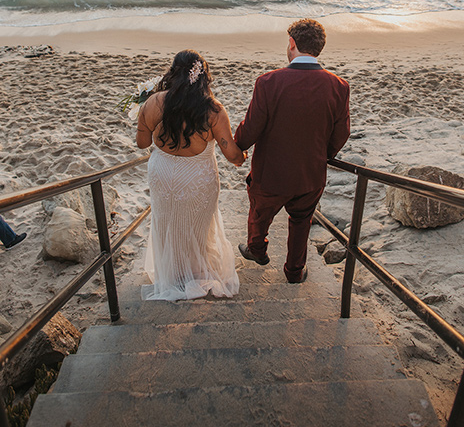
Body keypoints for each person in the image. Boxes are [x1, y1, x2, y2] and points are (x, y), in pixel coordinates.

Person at [234, 18, 350, 283]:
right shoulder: (339, 86)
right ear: (319, 48)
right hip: (310, 174)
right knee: (301, 222)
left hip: (271, 174)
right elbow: (341, 133)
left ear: (292, 44)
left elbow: (251, 128)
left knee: (260, 213)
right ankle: (294, 272)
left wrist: (237, 145)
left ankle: (257, 250)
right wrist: (323, 155)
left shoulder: (268, 82)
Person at [136, 50, 245, 301]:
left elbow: (142, 143)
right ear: (204, 77)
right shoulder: (213, 110)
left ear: (173, 73)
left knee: (166, 221)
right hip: (197, 174)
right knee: (197, 225)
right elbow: (232, 154)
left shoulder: (154, 102)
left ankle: (171, 275)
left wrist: (143, 119)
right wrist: (242, 157)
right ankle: (195, 273)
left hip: (162, 172)